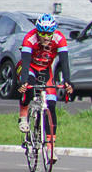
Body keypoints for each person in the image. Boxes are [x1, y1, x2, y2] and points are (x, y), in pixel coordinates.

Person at [17, 14, 73, 158]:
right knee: (29, 87)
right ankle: (23, 115)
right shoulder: (30, 39)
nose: (46, 37)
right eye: (42, 33)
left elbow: (65, 62)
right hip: (29, 68)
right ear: (37, 31)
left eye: (49, 33)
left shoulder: (59, 39)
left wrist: (67, 81)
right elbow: (25, 61)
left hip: (45, 70)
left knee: (52, 105)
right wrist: (24, 82)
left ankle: (50, 147)